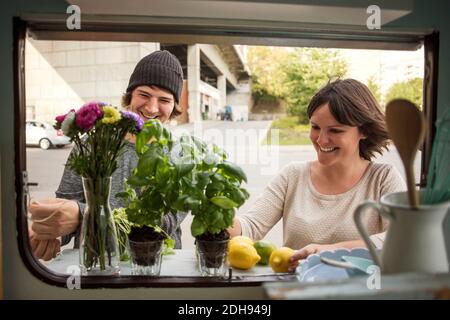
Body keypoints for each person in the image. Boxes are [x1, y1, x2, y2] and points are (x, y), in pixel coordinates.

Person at [228, 78, 406, 272]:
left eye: (335, 130)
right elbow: (250, 227)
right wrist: (215, 215)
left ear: (364, 131)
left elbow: (398, 238)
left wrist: (326, 251)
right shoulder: (293, 175)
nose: (321, 140)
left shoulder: (383, 179)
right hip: (299, 291)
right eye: (315, 127)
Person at [29, 50, 187, 261]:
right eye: (144, 94)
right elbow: (67, 207)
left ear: (174, 106)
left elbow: (164, 224)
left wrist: (84, 215)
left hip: (157, 265)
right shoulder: (92, 145)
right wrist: (52, 233)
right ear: (130, 94)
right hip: (95, 262)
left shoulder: (181, 155)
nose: (151, 108)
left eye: (164, 100)